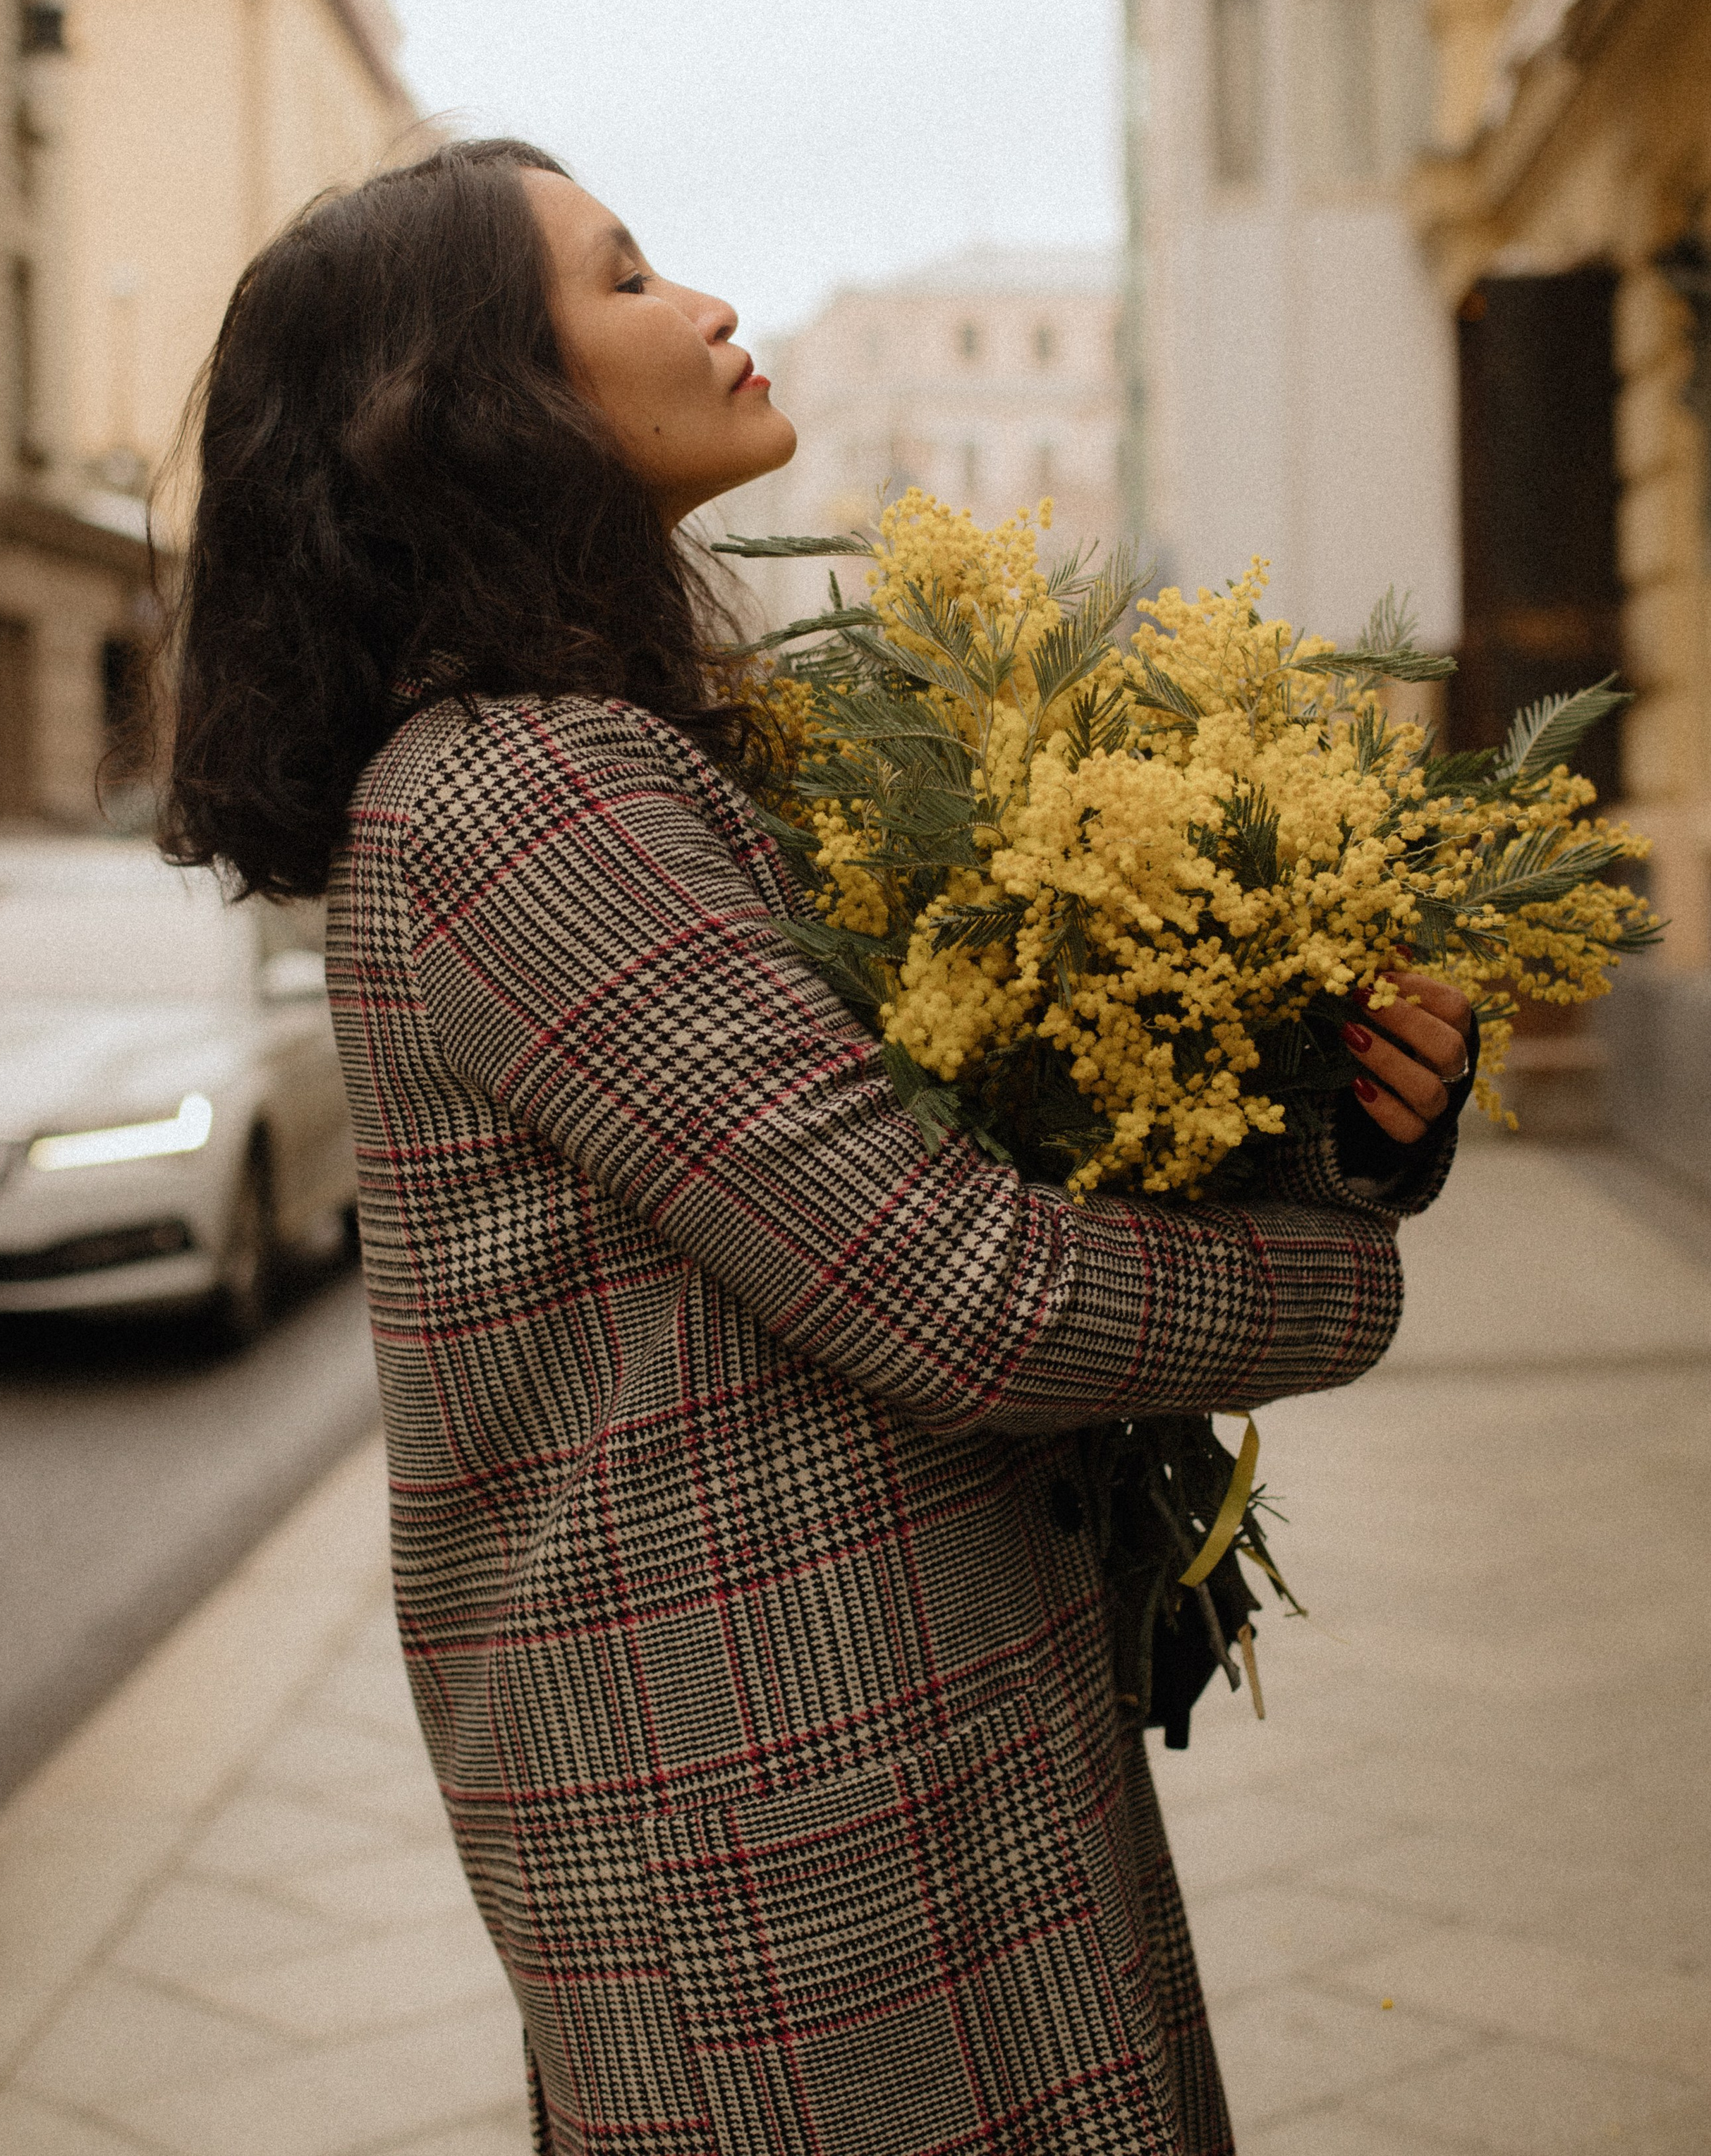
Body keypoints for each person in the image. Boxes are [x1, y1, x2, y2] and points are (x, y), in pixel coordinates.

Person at [163, 138, 1471, 2156]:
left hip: (855, 1775)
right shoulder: (517, 794)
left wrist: (1339, 1115)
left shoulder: (619, 751)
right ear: (475, 407)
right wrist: (1343, 1275)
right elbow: (970, 1293)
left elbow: (946, 1148)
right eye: (624, 281)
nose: (707, 307)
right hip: (792, 1846)